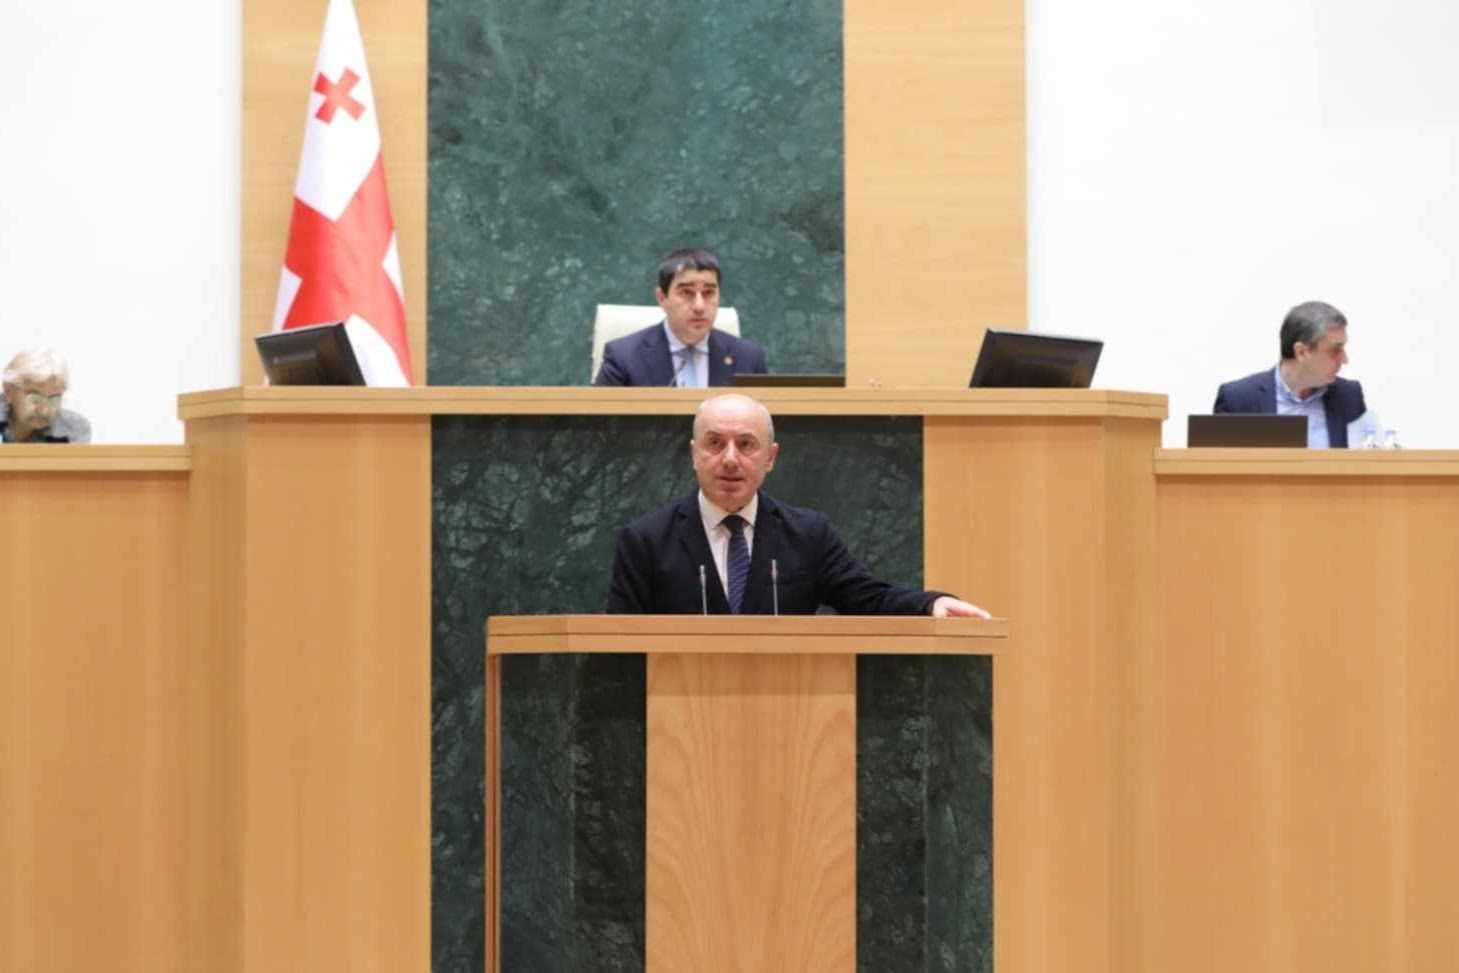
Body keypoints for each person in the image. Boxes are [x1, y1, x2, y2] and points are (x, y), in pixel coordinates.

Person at [607, 393, 989, 617]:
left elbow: (869, 599)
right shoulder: (646, 541)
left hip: (787, 707)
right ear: (694, 454)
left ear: (770, 458)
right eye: (714, 443)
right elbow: (616, 650)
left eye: (746, 444)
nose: (729, 459)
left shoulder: (807, 534)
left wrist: (930, 604)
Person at [594, 247, 769, 387]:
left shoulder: (748, 358)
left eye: (709, 293)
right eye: (687, 292)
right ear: (662, 298)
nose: (699, 306)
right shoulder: (624, 358)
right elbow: (598, 419)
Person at [1213, 300, 1366, 448]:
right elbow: (1217, 463)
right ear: (1301, 352)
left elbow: (1364, 459)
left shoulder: (1349, 396)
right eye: (1335, 350)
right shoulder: (1238, 400)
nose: (1345, 359)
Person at [1, 348, 91, 444]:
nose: (44, 410)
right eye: (34, 399)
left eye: (54, 399)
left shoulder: (73, 429)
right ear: (8, 392)